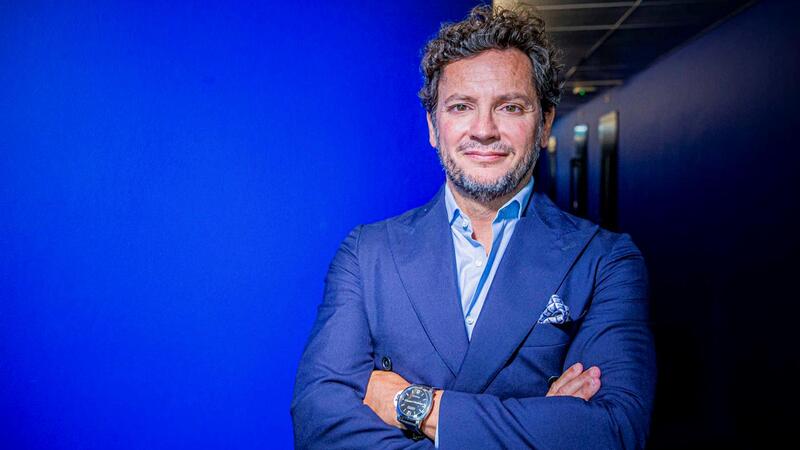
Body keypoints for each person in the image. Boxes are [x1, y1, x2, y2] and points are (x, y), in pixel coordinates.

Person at [291, 5, 655, 449]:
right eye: (461, 106)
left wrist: (415, 404)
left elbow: (613, 431)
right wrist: (542, 423)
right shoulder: (367, 254)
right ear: (433, 126)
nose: (484, 130)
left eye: (510, 107)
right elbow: (319, 424)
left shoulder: (605, 261)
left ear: (544, 123)